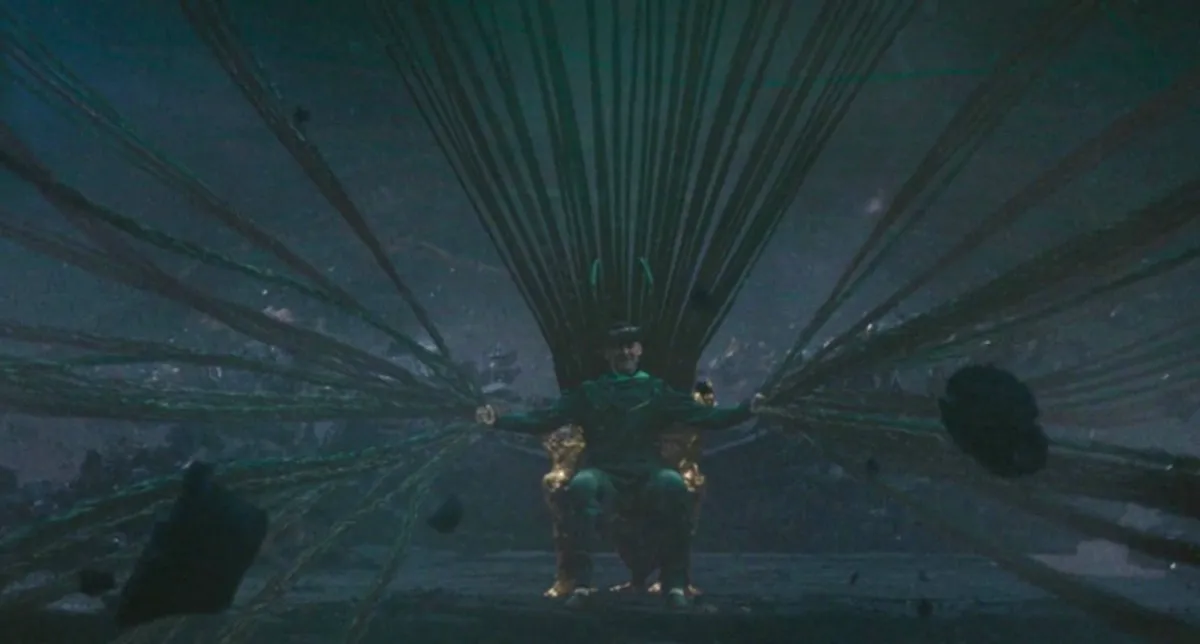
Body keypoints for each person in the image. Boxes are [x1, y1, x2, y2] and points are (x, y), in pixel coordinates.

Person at [474, 322, 763, 609]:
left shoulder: (656, 391)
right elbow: (544, 419)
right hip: (604, 472)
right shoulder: (590, 393)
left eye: (630, 346)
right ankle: (582, 584)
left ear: (639, 350)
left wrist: (747, 409)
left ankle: (674, 583)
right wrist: (498, 420)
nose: (625, 352)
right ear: (607, 353)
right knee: (582, 485)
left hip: (648, 472)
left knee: (673, 484)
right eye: (618, 347)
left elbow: (706, 417)